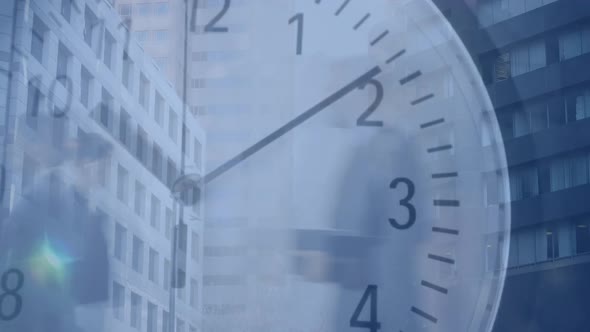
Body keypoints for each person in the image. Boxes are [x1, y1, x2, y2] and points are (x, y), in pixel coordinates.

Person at [0, 130, 113, 332]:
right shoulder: (43, 199)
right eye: (102, 167)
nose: (105, 176)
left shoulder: (92, 226)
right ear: (85, 163)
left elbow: (94, 300)